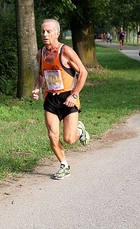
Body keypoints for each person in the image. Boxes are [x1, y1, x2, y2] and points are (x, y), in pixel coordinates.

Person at [32, 19, 89, 180]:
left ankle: (79, 130)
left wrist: (75, 94)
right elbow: (41, 74)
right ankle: (64, 164)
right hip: (51, 99)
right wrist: (37, 88)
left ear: (57, 33)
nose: (45, 34)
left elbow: (83, 72)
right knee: (52, 135)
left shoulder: (66, 52)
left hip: (68, 97)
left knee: (69, 139)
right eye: (42, 31)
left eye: (48, 31)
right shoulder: (40, 54)